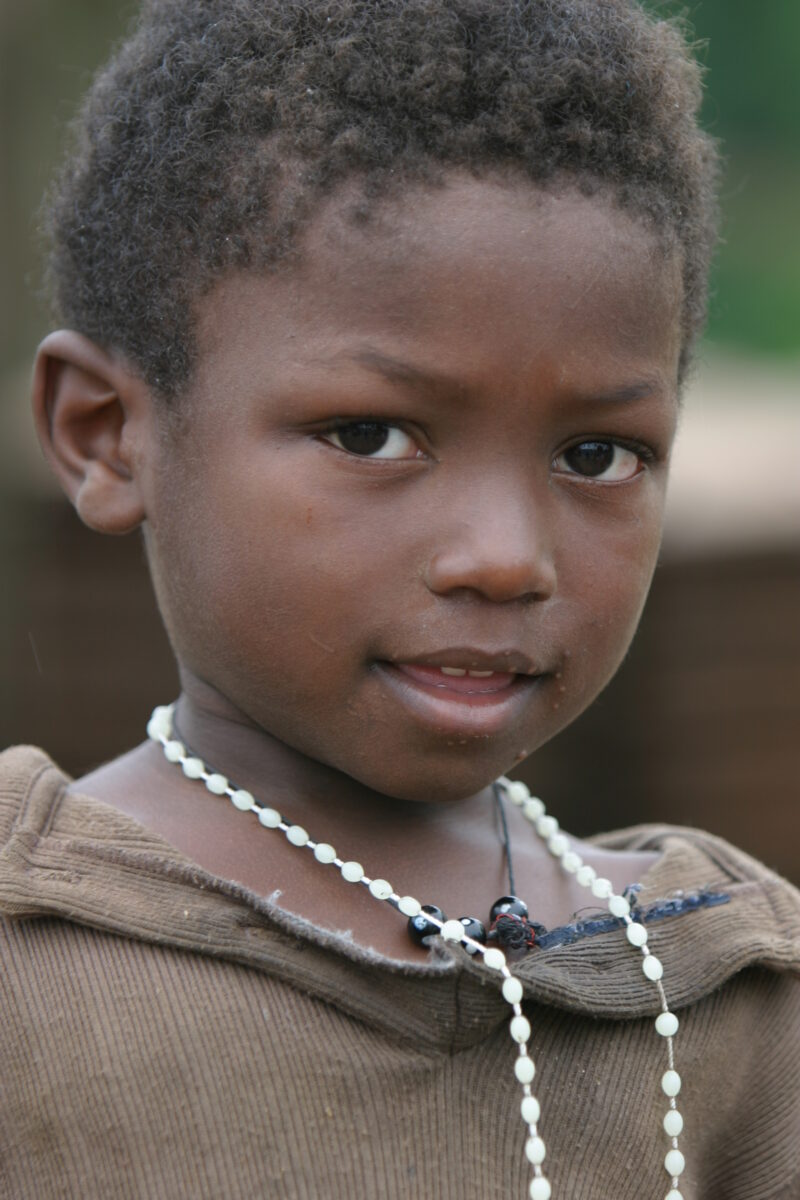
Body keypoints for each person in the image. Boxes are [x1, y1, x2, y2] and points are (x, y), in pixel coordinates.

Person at [2, 1, 798, 1197]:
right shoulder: (33, 967)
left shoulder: (736, 993)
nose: (502, 558)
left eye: (595, 456)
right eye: (370, 436)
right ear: (109, 437)